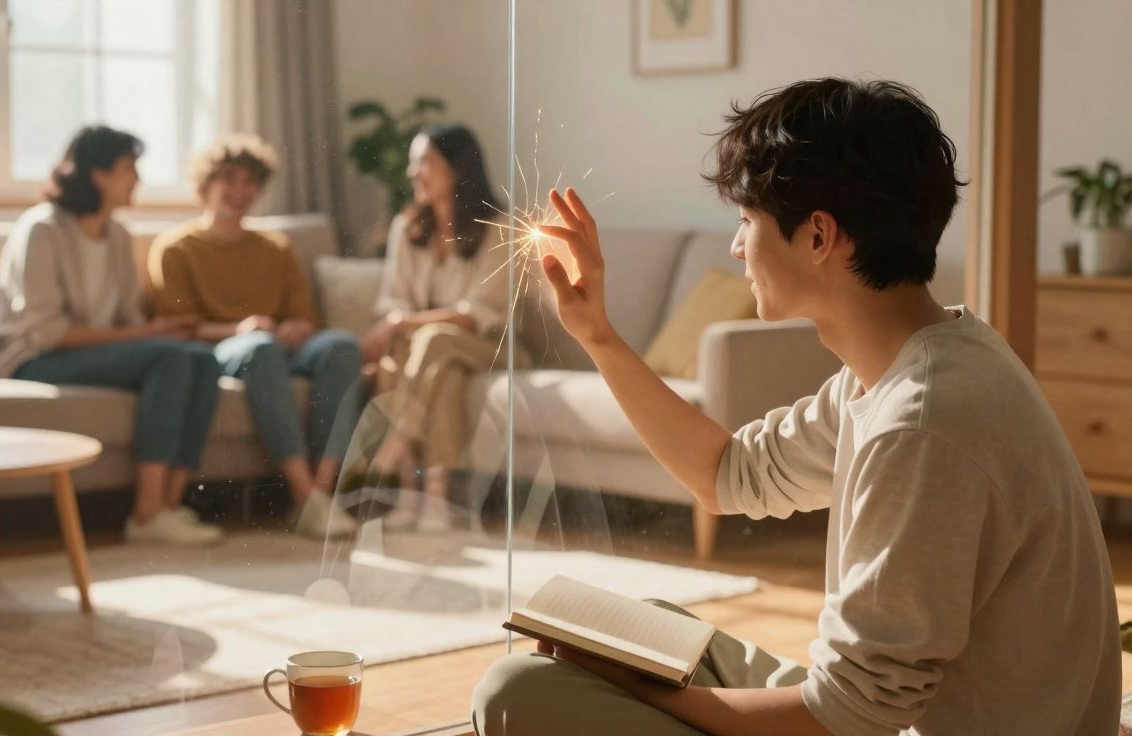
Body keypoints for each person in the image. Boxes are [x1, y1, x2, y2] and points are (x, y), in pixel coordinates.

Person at [471, 79, 1119, 735]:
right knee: (655, 630)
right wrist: (599, 336)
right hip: (888, 718)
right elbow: (728, 474)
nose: (735, 246)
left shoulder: (921, 421)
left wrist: (646, 691)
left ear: (818, 238)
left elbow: (849, 716)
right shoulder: (916, 364)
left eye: (747, 222)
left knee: (515, 691)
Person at [0, 125, 224, 546]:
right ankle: (147, 513)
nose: (138, 179)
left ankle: (170, 505)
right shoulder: (42, 230)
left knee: (200, 358)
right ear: (98, 174)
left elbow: (128, 319)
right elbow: (46, 333)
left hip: (91, 355)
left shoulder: (118, 235)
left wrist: (157, 331)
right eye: (129, 168)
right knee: (169, 357)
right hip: (35, 360)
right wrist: (146, 335)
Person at [149, 136, 363, 539]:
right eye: (229, 180)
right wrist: (239, 330)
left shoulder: (276, 248)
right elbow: (177, 326)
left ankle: (320, 493)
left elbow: (304, 316)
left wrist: (297, 328)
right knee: (260, 348)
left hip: (277, 345)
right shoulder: (175, 249)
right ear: (204, 186)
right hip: (223, 347)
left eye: (250, 182)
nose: (240, 191)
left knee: (341, 345)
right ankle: (304, 495)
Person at [358, 124, 512, 532]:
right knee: (417, 365)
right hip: (434, 356)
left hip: (491, 346)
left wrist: (404, 323)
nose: (413, 173)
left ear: (458, 169)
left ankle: (402, 439)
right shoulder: (407, 227)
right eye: (413, 163)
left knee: (433, 338)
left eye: (424, 161)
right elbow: (395, 299)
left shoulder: (498, 230)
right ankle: (430, 500)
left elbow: (478, 314)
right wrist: (402, 322)